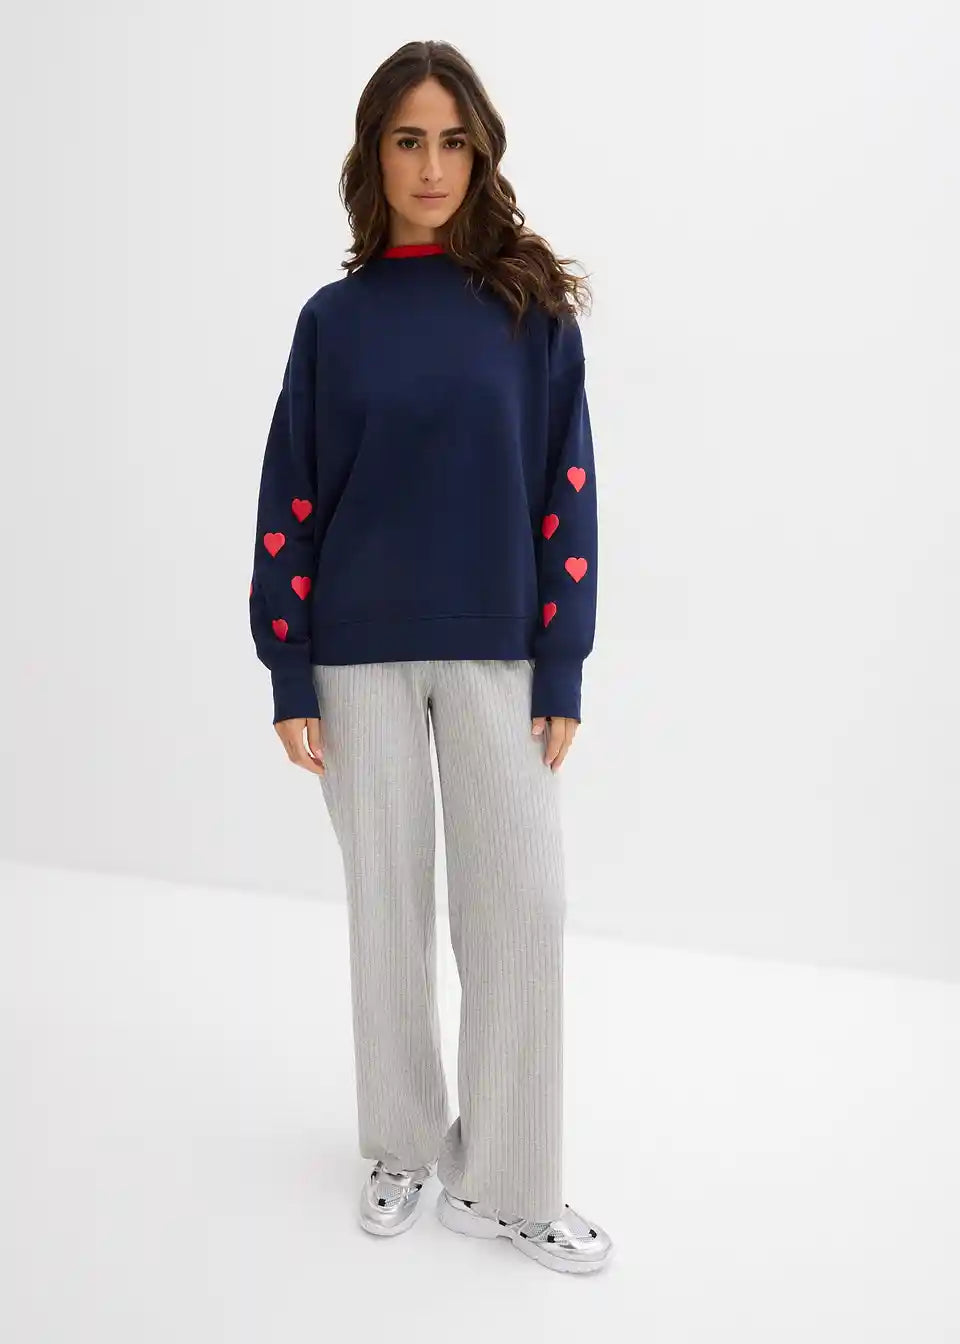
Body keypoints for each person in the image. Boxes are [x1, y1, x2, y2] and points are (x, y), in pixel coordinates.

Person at [248, 39, 612, 1275]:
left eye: (454, 141)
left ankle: (508, 1181)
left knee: (523, 909)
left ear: (482, 153)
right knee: (387, 912)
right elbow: (291, 498)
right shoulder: (333, 322)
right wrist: (288, 668)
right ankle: (400, 1143)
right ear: (375, 155)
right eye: (409, 139)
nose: (432, 165)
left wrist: (562, 662)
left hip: (498, 654)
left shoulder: (529, 313)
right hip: (355, 658)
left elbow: (567, 491)